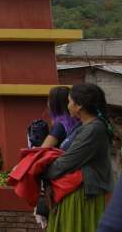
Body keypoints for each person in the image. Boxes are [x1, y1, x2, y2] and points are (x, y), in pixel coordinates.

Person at [44, 84, 114, 232]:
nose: (68, 105)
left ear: (79, 105)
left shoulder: (94, 129)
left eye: (70, 101)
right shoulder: (83, 127)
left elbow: (66, 163)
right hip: (71, 193)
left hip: (83, 197)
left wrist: (42, 170)